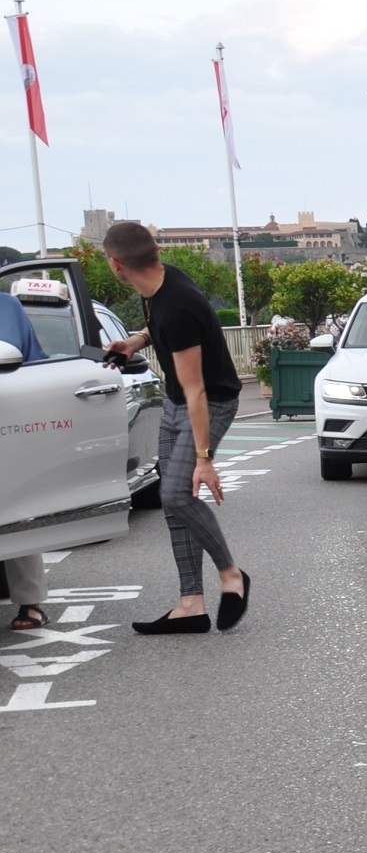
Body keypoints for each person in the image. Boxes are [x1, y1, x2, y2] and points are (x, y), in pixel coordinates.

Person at [99, 221, 250, 634]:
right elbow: (160, 327)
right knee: (173, 501)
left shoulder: (177, 307)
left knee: (177, 494)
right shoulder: (163, 285)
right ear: (153, 252)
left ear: (116, 265)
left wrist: (204, 459)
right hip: (176, 403)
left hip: (209, 403)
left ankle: (231, 574)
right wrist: (136, 341)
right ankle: (190, 603)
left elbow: (198, 390)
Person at [0, 287, 50, 632]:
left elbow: (35, 362)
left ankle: (30, 601)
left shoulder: (8, 307)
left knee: (14, 508)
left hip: (7, 420)